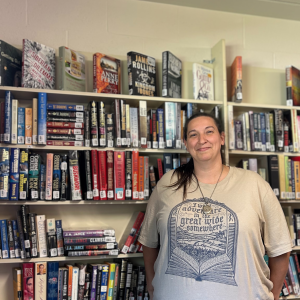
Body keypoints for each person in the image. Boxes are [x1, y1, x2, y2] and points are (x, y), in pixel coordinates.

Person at [138, 112, 292, 300]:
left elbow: (280, 249)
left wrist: (272, 295)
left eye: (208, 132)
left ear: (221, 138)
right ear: (186, 143)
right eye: (193, 134)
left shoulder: (254, 184)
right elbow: (149, 242)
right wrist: (152, 287)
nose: (201, 140)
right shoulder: (166, 184)